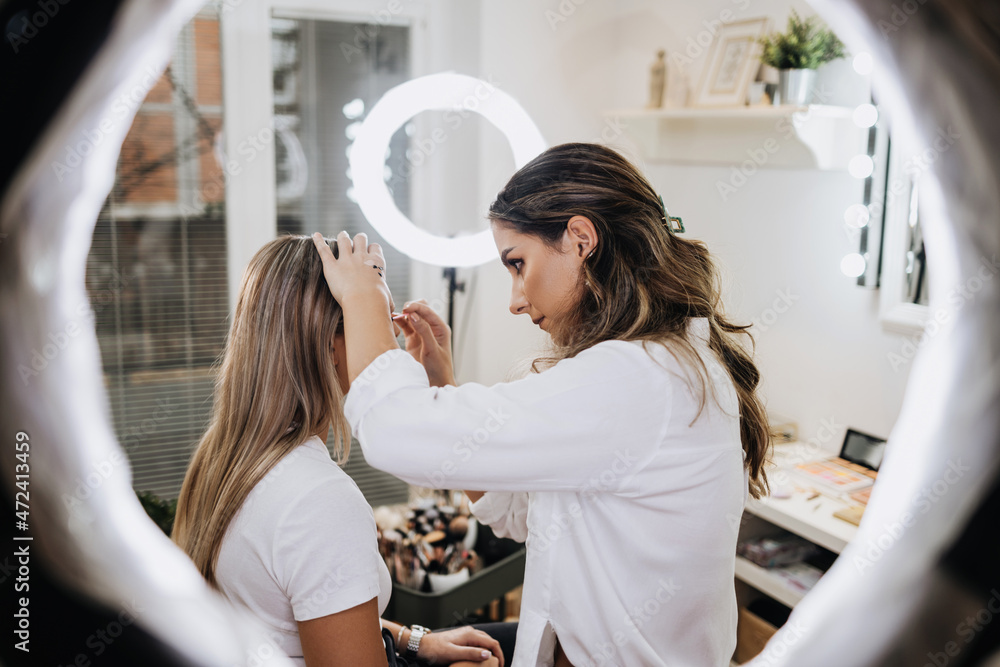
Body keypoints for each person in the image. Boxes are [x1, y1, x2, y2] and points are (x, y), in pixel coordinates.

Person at [311, 142, 771, 667]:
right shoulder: (657, 363)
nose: (514, 299)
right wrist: (442, 384)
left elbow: (392, 431)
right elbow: (525, 515)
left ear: (580, 239)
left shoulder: (636, 377)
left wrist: (363, 298)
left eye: (517, 263)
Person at [171, 236, 504, 667]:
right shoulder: (320, 501)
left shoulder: (223, 457)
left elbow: (301, 620)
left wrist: (415, 640)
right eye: (374, 322)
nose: (389, 346)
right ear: (330, 343)